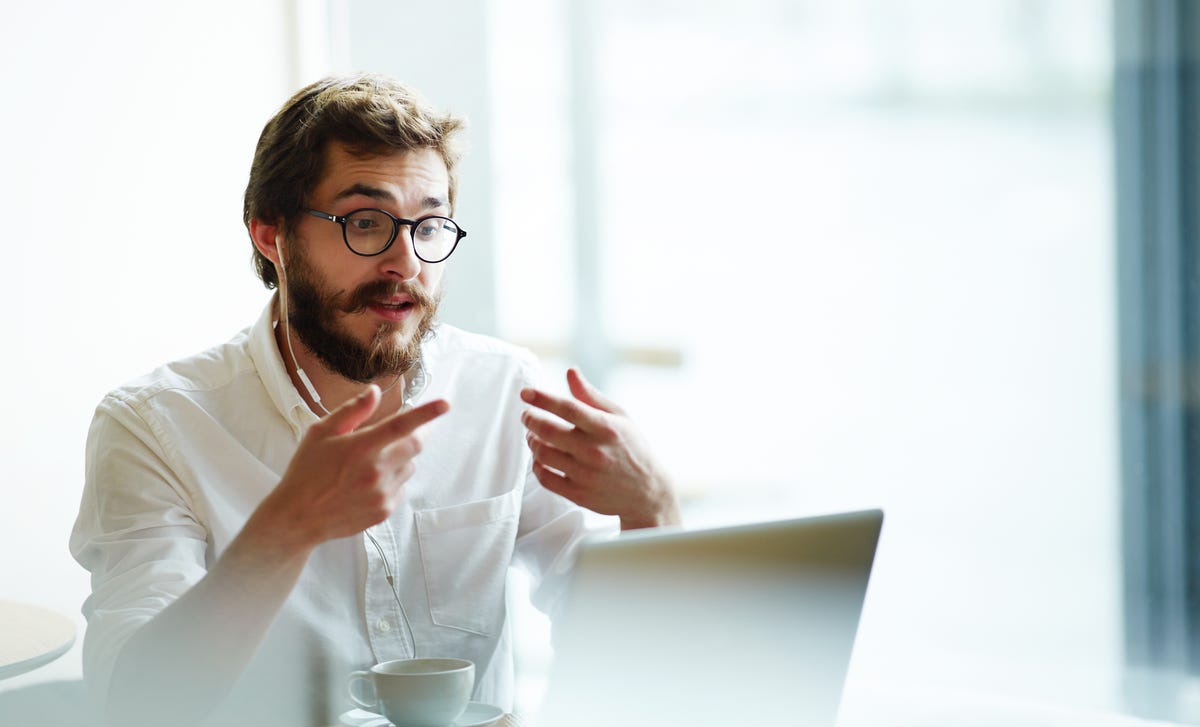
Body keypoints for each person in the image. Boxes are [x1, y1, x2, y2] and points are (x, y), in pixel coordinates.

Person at [70, 73, 680, 727]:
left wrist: (652, 512)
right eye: (366, 221)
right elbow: (131, 704)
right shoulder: (154, 425)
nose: (406, 261)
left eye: (430, 223)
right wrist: (287, 526)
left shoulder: (505, 392)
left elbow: (629, 656)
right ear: (271, 235)